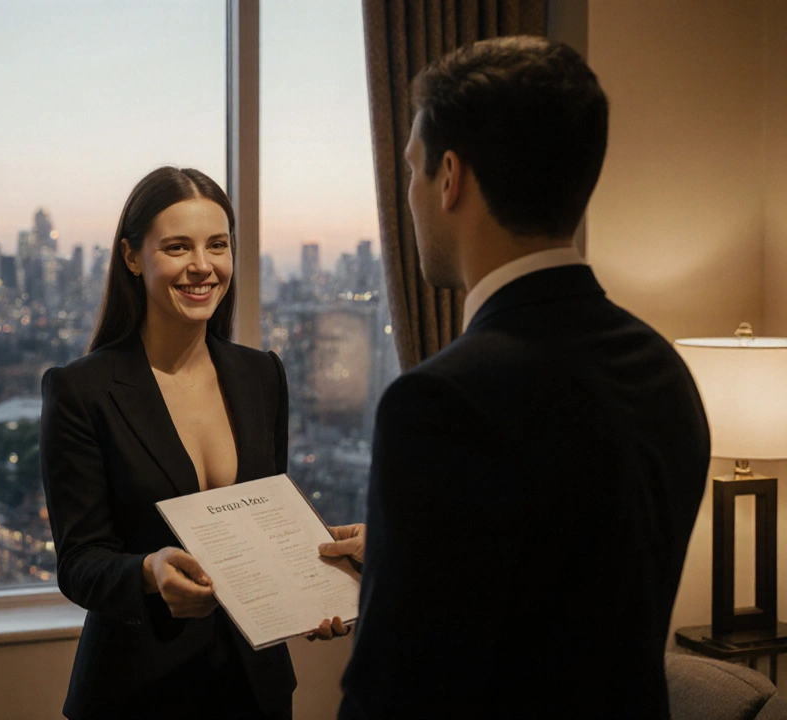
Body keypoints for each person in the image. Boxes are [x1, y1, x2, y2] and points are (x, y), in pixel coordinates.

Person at [321, 37, 710, 718]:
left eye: (411, 170)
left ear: (450, 178)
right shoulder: (665, 370)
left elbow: (397, 696)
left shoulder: (441, 402)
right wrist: (399, 549)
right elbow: (573, 591)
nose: (407, 198)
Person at [40, 167, 348, 720]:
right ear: (133, 257)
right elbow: (79, 562)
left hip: (256, 689)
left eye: (218, 245)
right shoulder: (81, 390)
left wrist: (318, 587)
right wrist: (149, 573)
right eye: (178, 247)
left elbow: (263, 522)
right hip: (136, 693)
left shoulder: (262, 376)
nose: (202, 266)